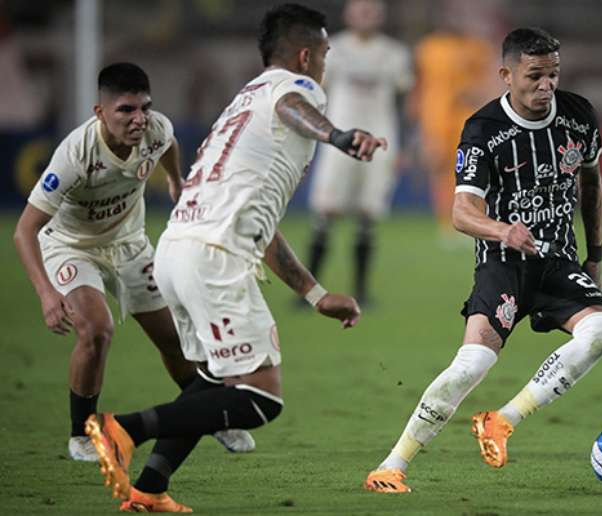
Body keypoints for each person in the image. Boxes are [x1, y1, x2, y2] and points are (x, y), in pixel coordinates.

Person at [84, 4, 387, 512]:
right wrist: (336, 136)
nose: (326, 67)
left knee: (210, 381)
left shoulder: (243, 102)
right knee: (260, 398)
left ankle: (150, 491)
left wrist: (315, 294)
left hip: (178, 250)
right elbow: (295, 103)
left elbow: (261, 228)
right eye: (326, 56)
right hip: (213, 258)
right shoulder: (295, 90)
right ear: (307, 55)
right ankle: (123, 430)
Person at [364, 27, 602, 493]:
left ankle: (502, 420)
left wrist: (595, 255)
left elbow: (591, 184)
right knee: (472, 364)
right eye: (535, 76)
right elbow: (462, 212)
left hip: (557, 261)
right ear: (506, 75)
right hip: (503, 264)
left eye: (553, 75)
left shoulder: (579, 115)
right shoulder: (484, 130)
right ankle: (392, 465)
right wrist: (505, 230)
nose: (546, 86)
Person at [13, 62, 254, 462]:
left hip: (130, 245)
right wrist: (45, 294)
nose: (139, 118)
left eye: (144, 107)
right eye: (126, 110)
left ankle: (212, 418)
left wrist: (176, 179)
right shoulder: (75, 155)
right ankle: (83, 434)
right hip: (73, 247)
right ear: (100, 113)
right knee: (97, 329)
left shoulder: (156, 129)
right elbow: (25, 230)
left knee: (175, 339)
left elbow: (169, 144)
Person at [305, 0, 413, 305]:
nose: (366, 15)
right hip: (338, 139)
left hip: (380, 139)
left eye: (372, 10)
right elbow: (315, 93)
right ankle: (308, 290)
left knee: (369, 213)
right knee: (325, 210)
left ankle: (362, 291)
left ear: (381, 15)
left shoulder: (394, 53)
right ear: (349, 14)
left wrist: (404, 143)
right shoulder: (332, 49)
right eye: (360, 9)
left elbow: (402, 98)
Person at [412, 2, 499, 244]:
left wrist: (477, 93)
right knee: (440, 171)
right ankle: (447, 224)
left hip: (466, 117)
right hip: (435, 119)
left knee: (473, 169)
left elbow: (491, 80)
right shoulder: (428, 47)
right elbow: (420, 84)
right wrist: (417, 119)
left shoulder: (476, 46)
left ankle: (475, 222)